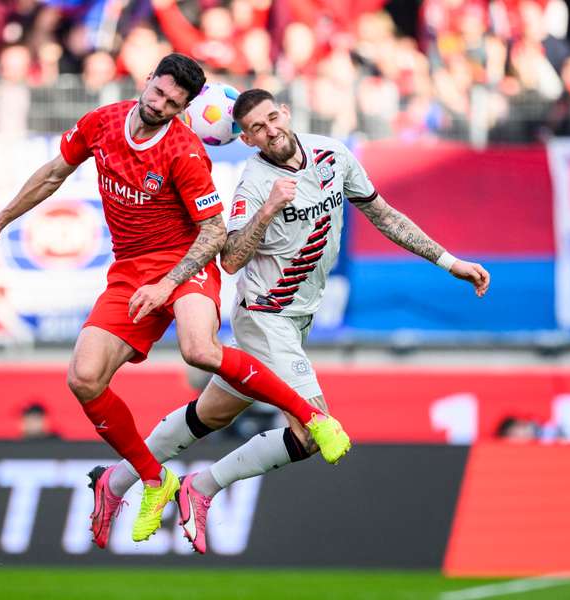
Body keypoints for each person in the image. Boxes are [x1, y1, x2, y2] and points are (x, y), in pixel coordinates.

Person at [0, 57, 351, 545]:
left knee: (200, 350)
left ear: (185, 110)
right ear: (148, 80)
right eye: (159, 92)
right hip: (129, 272)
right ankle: (150, 478)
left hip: (187, 263)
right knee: (83, 379)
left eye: (173, 103)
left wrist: (169, 283)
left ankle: (313, 417)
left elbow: (213, 234)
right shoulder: (101, 123)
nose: (160, 104)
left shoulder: (185, 151)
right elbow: (52, 174)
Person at [88, 88, 491, 554]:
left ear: (286, 112)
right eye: (257, 128)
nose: (271, 130)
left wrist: (448, 261)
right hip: (264, 316)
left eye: (273, 118)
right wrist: (268, 209)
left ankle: (113, 482)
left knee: (211, 413)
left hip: (298, 318)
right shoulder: (254, 183)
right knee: (311, 432)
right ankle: (203, 487)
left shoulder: (333, 155)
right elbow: (233, 259)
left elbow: (383, 214)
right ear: (247, 139)